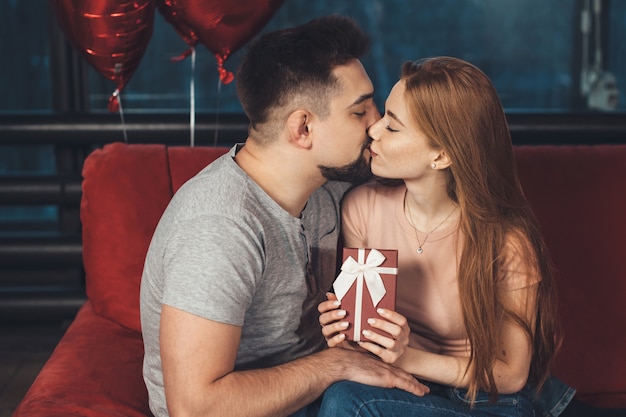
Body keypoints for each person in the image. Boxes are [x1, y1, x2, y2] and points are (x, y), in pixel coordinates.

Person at [139, 15, 428, 417]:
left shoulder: (327, 185)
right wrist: (336, 364)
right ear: (303, 128)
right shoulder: (219, 225)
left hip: (321, 395)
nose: (377, 123)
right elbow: (195, 408)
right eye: (359, 112)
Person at [317, 56, 576, 416]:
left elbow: (512, 374)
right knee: (339, 396)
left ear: (440, 155)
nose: (373, 130)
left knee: (346, 402)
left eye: (392, 128)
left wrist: (407, 356)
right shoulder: (362, 207)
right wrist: (346, 336)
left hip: (488, 400)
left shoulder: (506, 240)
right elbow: (366, 338)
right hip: (404, 388)